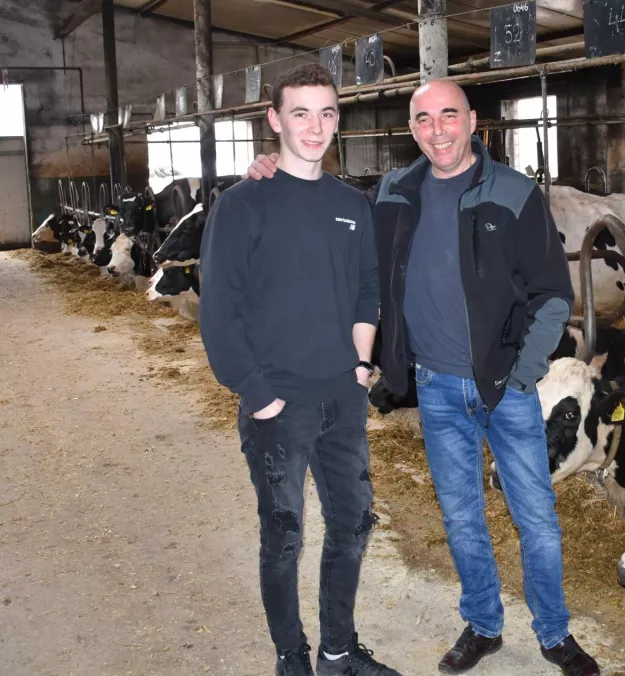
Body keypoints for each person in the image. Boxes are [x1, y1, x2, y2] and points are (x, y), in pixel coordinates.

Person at [245, 79, 601, 676]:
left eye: (449, 116)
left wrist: (523, 374)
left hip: (507, 389)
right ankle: (483, 624)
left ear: (473, 121)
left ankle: (554, 632)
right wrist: (270, 171)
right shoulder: (393, 193)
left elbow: (554, 295)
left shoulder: (514, 192)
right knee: (461, 517)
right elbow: (330, 218)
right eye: (425, 119)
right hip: (436, 389)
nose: (439, 130)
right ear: (412, 129)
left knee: (535, 517)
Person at [200, 63, 401, 676]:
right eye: (301, 113)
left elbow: (367, 289)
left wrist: (361, 365)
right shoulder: (241, 205)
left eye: (327, 113)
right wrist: (257, 393)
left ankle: (338, 649)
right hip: (277, 404)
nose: (315, 127)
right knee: (284, 537)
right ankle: (292, 657)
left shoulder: (351, 204)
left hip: (344, 398)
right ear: (275, 120)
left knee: (353, 525)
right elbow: (219, 310)